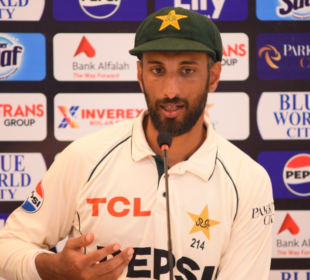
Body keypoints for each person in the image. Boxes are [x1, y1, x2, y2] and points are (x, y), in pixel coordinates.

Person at [0, 7, 274, 280]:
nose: (171, 90)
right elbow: (7, 245)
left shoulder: (247, 180)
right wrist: (53, 268)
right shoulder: (85, 157)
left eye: (187, 70)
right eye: (157, 69)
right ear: (140, 75)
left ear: (213, 76)